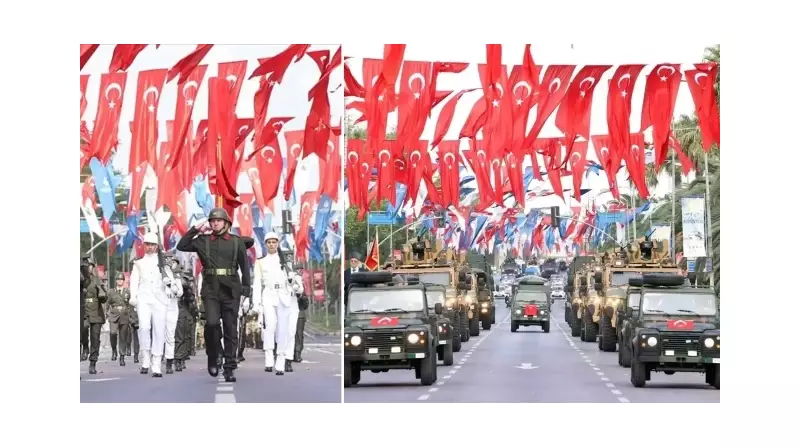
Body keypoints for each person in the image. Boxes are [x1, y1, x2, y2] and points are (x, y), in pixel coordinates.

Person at [176, 207, 252, 382]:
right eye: (212, 221)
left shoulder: (236, 242)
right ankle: (213, 355)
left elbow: (244, 267)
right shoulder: (203, 240)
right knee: (211, 324)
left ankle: (229, 367)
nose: (215, 223)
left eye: (218, 220)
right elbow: (182, 245)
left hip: (231, 288)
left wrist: (246, 290)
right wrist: (197, 228)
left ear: (226, 223)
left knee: (230, 329)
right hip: (211, 288)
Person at [130, 232, 182, 378]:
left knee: (159, 331)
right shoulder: (138, 262)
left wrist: (169, 283)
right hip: (144, 299)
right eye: (147, 244)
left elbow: (174, 287)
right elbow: (134, 281)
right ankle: (145, 358)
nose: (150, 247)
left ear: (157, 246)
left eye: (152, 245)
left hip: (160, 300)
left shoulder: (164, 263)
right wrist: (133, 296)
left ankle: (157, 364)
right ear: (144, 245)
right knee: (144, 328)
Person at [253, 232, 303, 375]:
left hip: (284, 297)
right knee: (270, 327)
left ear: (277, 243)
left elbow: (292, 279)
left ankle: (280, 361)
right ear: (265, 244)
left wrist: (293, 284)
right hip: (269, 295)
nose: (272, 244)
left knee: (283, 331)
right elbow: (257, 283)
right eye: (269, 242)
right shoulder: (261, 261)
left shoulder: (285, 261)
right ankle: (269, 359)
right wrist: (256, 302)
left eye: (274, 242)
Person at [83, 257, 107, 374]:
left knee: (95, 338)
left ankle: (93, 362)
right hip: (83, 311)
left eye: (90, 265)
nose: (88, 268)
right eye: (86, 266)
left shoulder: (97, 280)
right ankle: (85, 347)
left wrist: (101, 292)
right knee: (83, 332)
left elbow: (104, 298)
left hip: (96, 313)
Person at [106, 273, 131, 366]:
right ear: (116, 281)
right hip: (114, 314)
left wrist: (130, 315)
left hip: (124, 315)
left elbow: (130, 304)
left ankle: (122, 356)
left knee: (123, 336)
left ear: (124, 281)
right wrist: (107, 314)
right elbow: (107, 303)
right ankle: (113, 350)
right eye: (118, 279)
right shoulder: (111, 292)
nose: (120, 281)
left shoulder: (127, 292)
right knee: (112, 333)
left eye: (121, 279)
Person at [174, 270, 196, 372]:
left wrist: (186, 287)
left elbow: (191, 298)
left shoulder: (183, 282)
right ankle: (170, 359)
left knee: (181, 337)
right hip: (168, 309)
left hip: (181, 311)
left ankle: (179, 359)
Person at [164, 257, 183, 374]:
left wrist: (172, 285)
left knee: (170, 336)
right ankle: (154, 360)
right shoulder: (157, 276)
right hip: (160, 307)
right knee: (158, 335)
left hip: (171, 306)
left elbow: (180, 292)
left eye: (170, 260)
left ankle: (169, 362)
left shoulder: (176, 276)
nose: (168, 261)